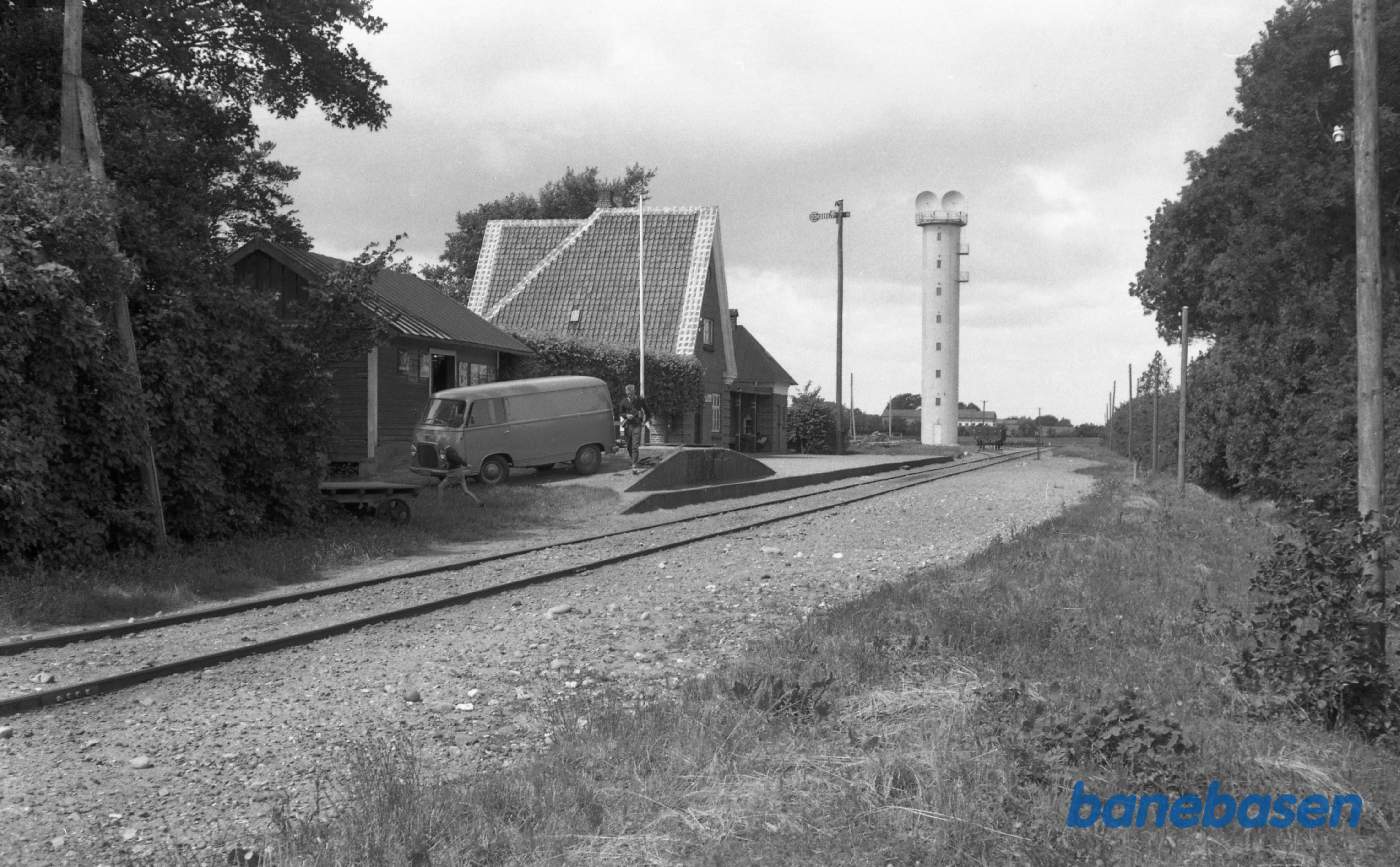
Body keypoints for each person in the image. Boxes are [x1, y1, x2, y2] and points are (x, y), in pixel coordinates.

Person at [618, 383, 650, 473]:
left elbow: (648, 411)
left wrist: (645, 421)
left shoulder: (640, 400)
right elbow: (620, 413)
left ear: (634, 392)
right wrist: (626, 415)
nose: (629, 395)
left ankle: (634, 465)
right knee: (629, 445)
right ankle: (634, 460)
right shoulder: (623, 402)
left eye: (630, 393)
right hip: (628, 426)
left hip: (637, 425)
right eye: (627, 394)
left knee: (635, 445)